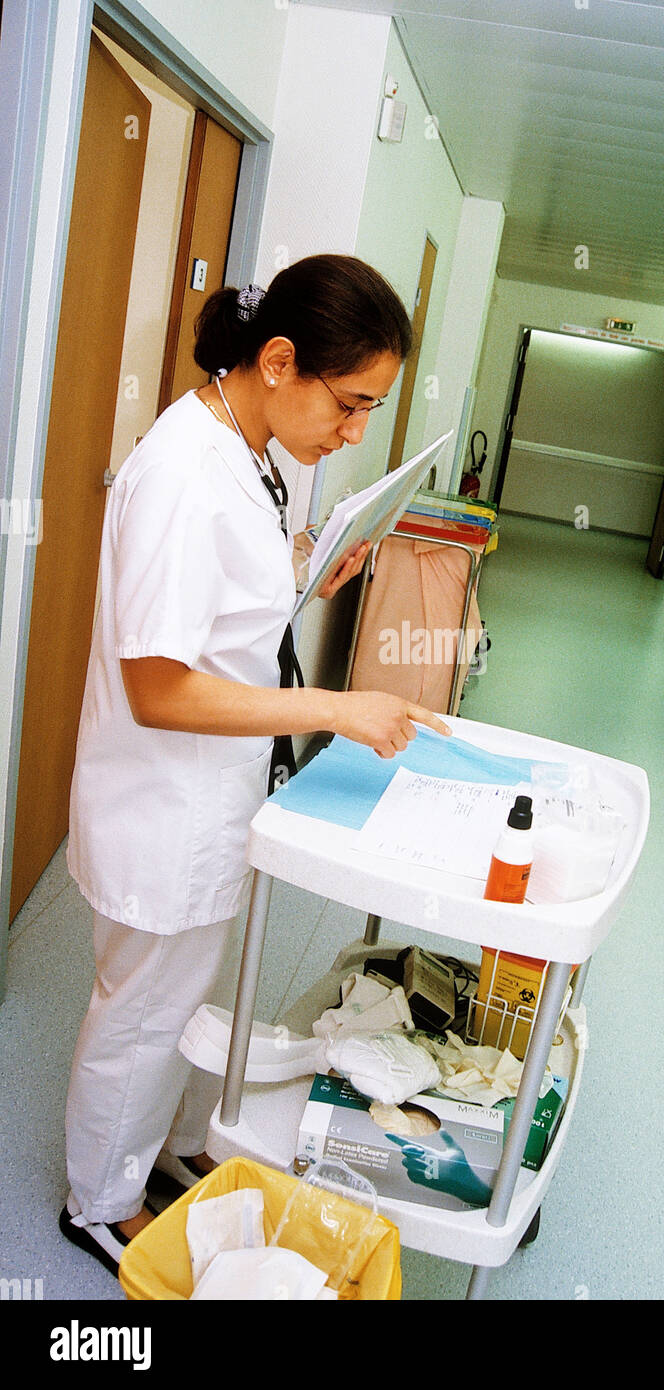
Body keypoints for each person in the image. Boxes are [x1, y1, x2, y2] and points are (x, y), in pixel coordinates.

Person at [59, 253, 451, 1276]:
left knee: (178, 1000)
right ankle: (98, 1202)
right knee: (141, 1013)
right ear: (278, 361)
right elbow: (158, 684)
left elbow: (223, 607)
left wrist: (307, 572)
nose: (356, 430)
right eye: (352, 402)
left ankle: (158, 1155)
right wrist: (338, 705)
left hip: (207, 797)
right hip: (161, 803)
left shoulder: (244, 442)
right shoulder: (184, 472)